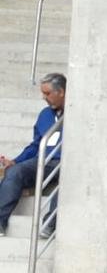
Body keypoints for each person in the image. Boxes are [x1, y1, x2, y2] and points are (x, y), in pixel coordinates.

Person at [0, 72, 66, 238]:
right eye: (43, 93)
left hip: (68, 162)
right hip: (43, 160)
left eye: (47, 93)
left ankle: (49, 225)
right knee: (15, 172)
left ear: (62, 92)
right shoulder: (45, 114)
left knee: (68, 181)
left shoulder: (79, 114)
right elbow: (36, 144)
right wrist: (16, 161)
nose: (44, 97)